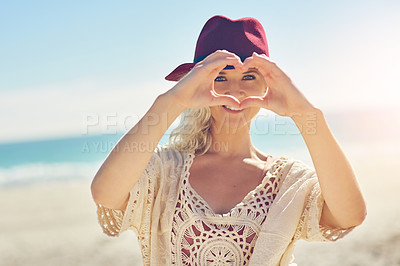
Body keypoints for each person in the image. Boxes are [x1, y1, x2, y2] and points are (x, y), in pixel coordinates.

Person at [91, 15, 367, 265]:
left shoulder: (287, 182)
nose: (235, 91)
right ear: (196, 83)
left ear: (267, 84)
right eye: (220, 76)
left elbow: (349, 215)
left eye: (249, 76)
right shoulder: (164, 171)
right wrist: (171, 102)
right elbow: (105, 193)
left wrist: (308, 115)